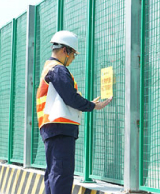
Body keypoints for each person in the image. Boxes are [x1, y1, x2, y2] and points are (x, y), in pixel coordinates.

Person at [36, 30, 113, 194]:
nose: (73, 59)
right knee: (61, 176)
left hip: (51, 128)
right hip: (60, 129)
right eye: (73, 54)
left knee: (53, 174)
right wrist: (93, 106)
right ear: (66, 50)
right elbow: (70, 97)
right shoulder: (58, 69)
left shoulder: (48, 68)